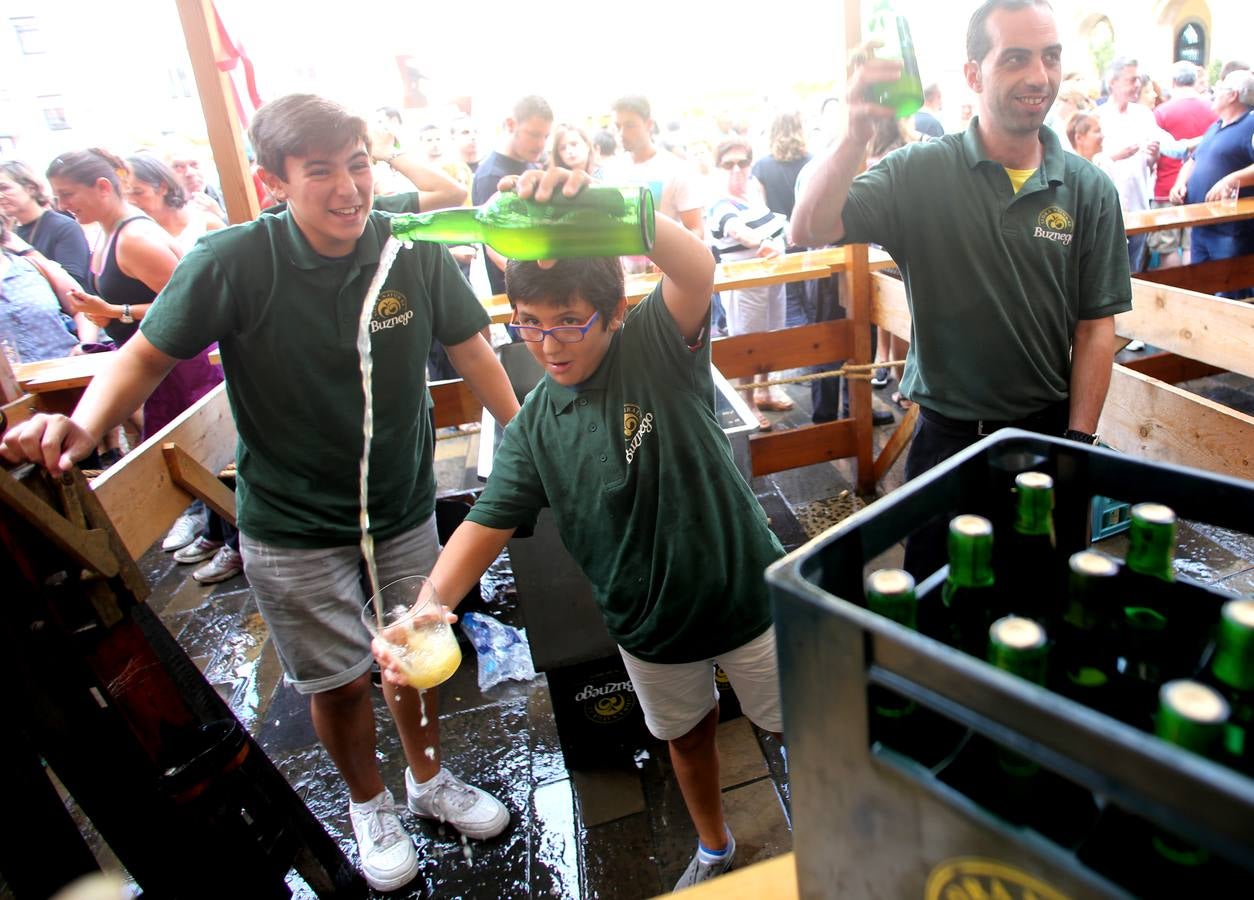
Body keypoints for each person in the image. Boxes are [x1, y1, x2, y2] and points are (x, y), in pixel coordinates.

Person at [2, 94, 520, 893]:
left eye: (358, 165)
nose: (349, 188)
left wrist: (523, 438)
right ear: (271, 180)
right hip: (290, 522)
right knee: (338, 679)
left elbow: (474, 350)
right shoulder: (233, 258)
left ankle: (428, 780)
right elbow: (143, 355)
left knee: (417, 659)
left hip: (403, 504)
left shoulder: (407, 247)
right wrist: (82, 425)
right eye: (321, 172)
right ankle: (368, 802)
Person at [374, 166, 784, 892]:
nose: (549, 343)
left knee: (799, 722)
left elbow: (696, 266)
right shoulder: (536, 426)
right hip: (645, 625)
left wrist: (596, 201)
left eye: (569, 320)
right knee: (685, 740)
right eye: (528, 322)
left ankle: (834, 820)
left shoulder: (656, 347)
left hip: (747, 594)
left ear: (615, 309)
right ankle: (716, 847)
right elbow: (485, 523)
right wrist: (428, 607)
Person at [791, 0, 1132, 578]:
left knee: (1042, 599)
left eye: (1050, 57)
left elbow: (1096, 325)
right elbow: (809, 228)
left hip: (1046, 438)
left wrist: (1078, 441)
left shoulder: (1088, 188)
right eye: (1016, 58)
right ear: (972, 74)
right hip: (946, 442)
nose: (1039, 76)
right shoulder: (921, 171)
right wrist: (853, 137)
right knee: (937, 607)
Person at [706, 137, 791, 430]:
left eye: (742, 162)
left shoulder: (754, 195)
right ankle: (748, 400)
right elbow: (737, 230)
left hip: (773, 277)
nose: (737, 169)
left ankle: (766, 390)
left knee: (772, 335)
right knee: (747, 342)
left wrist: (776, 242)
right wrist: (766, 242)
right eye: (728, 164)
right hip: (743, 282)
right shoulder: (719, 201)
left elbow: (779, 228)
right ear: (718, 167)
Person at [1170, 69, 1254, 299]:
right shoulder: (1216, 125)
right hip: (1202, 224)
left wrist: (1231, 178)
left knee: (1230, 292)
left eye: (1221, 89)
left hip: (1230, 229)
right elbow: (1194, 158)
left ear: (1233, 95)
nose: (1214, 93)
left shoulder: (1251, 123)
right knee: (1201, 288)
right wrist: (1180, 182)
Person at [472, 95, 553, 295]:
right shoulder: (490, 175)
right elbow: (495, 246)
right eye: (534, 135)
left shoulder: (531, 165)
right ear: (510, 124)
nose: (541, 144)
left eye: (546, 136)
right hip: (521, 292)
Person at [606, 95, 705, 245]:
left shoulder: (676, 169)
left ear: (649, 124)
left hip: (664, 265)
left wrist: (671, 257)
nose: (622, 133)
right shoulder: (612, 170)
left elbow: (696, 230)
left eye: (630, 125)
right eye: (618, 126)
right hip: (624, 266)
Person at [1151, 60, 1219, 269]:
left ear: (1172, 82)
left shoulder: (1162, 112)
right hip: (1201, 187)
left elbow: (1157, 150)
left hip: (1166, 186)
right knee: (1192, 245)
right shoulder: (1213, 109)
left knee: (1167, 246)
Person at [0, 160, 91, 287]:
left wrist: (27, 251)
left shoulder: (64, 227)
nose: (1, 196)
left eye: (4, 188)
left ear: (30, 188)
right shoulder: (11, 232)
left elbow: (73, 282)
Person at [125, 155, 225, 253]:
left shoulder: (207, 225)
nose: (130, 201)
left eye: (138, 192)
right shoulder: (134, 234)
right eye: (124, 195)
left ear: (163, 187)